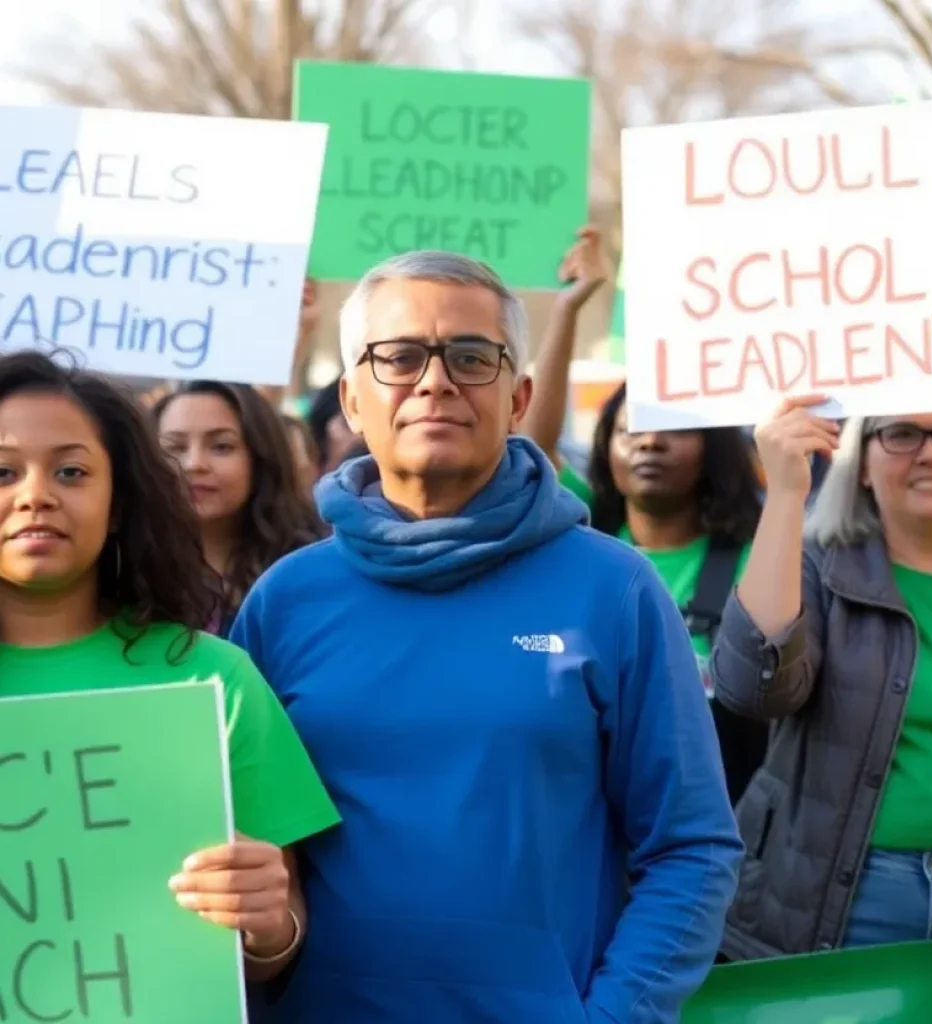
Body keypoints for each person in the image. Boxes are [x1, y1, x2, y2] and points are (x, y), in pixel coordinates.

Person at [230, 250, 742, 1022]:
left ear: (518, 396)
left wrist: (612, 1016)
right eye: (399, 357)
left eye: (471, 357)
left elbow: (692, 847)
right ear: (352, 398)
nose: (435, 380)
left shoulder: (616, 590)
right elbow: (250, 860)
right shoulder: (284, 602)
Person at [0, 350, 339, 981]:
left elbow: (275, 939)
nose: (36, 496)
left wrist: (268, 924)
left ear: (120, 502)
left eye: (71, 471)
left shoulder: (215, 680)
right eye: (2, 472)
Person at [712, 397, 932, 957]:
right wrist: (785, 495)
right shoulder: (814, 565)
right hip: (843, 900)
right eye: (901, 433)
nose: (931, 454)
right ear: (859, 459)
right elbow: (750, 688)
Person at [523, 228, 767, 803]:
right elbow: (532, 446)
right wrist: (567, 309)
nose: (649, 443)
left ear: (713, 448)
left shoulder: (753, 560)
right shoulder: (582, 536)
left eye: (673, 429)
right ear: (606, 445)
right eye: (630, 429)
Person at [153, 382, 325, 636]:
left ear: (261, 457)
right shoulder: (121, 574)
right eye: (175, 448)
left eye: (221, 446)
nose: (194, 464)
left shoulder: (310, 571)